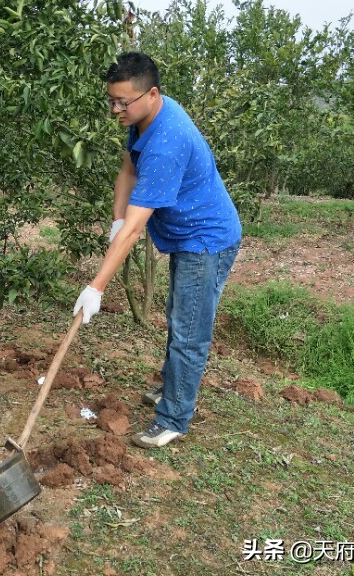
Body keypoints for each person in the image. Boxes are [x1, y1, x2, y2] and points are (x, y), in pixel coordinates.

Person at [73, 51, 241, 449]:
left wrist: (96, 287)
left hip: (206, 239)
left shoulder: (167, 142)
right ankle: (173, 388)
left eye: (122, 103)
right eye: (111, 101)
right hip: (187, 233)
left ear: (151, 93)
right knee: (178, 316)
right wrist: (117, 217)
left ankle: (173, 417)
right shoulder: (146, 116)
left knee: (188, 330)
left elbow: (135, 231)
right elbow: (129, 170)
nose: (116, 110)